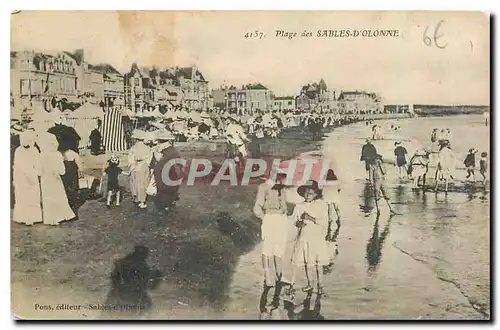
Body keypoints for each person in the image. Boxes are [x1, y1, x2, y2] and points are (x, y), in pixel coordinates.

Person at [289, 180, 329, 296]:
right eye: (306, 193)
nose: (308, 195)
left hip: (316, 238)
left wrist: (310, 218)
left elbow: (324, 222)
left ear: (316, 194)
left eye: (311, 193)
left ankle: (320, 286)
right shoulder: (299, 206)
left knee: (318, 263)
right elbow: (294, 220)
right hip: (304, 237)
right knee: (307, 262)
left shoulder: (321, 205)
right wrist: (298, 224)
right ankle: (310, 284)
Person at [253, 169, 288, 288]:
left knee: (279, 248)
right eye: (282, 176)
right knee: (268, 249)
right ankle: (267, 277)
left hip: (281, 220)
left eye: (284, 176)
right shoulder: (263, 187)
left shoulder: (282, 188)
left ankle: (280, 275)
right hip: (270, 219)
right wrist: (265, 219)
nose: (284, 178)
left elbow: (284, 206)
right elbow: (257, 207)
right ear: (275, 176)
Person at [38, 132, 76, 225]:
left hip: (45, 179)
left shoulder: (41, 155)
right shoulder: (57, 155)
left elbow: (39, 171)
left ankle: (50, 218)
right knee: (58, 197)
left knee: (48, 198)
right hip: (55, 179)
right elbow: (62, 171)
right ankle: (61, 215)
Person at [13, 131, 43, 226]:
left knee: (32, 196)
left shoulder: (34, 150)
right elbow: (17, 165)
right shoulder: (19, 150)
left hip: (30, 174)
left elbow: (37, 163)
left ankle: (32, 217)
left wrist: (36, 172)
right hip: (22, 176)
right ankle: (24, 217)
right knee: (23, 196)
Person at [153, 131, 183, 213]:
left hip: (167, 174)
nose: (159, 143)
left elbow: (159, 164)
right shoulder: (172, 150)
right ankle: (168, 204)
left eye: (160, 141)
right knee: (169, 190)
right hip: (172, 174)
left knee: (164, 190)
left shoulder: (166, 152)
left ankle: (165, 206)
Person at [321, 169, 342, 269]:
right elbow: (339, 189)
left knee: (329, 208)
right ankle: (339, 218)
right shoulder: (336, 181)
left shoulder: (325, 181)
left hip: (328, 196)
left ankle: (330, 220)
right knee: (336, 207)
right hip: (335, 195)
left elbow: (321, 189)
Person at [128, 132, 153, 209]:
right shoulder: (148, 148)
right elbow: (150, 158)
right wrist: (146, 164)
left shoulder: (133, 148)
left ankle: (135, 198)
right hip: (144, 166)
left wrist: (133, 165)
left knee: (134, 182)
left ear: (136, 139)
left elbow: (130, 158)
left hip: (134, 166)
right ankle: (142, 201)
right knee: (143, 183)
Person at [61, 148, 83, 213]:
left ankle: (69, 202)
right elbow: (79, 164)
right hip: (73, 172)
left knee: (66, 188)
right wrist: (81, 170)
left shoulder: (61, 153)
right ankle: (73, 203)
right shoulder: (74, 153)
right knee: (74, 187)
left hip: (65, 173)